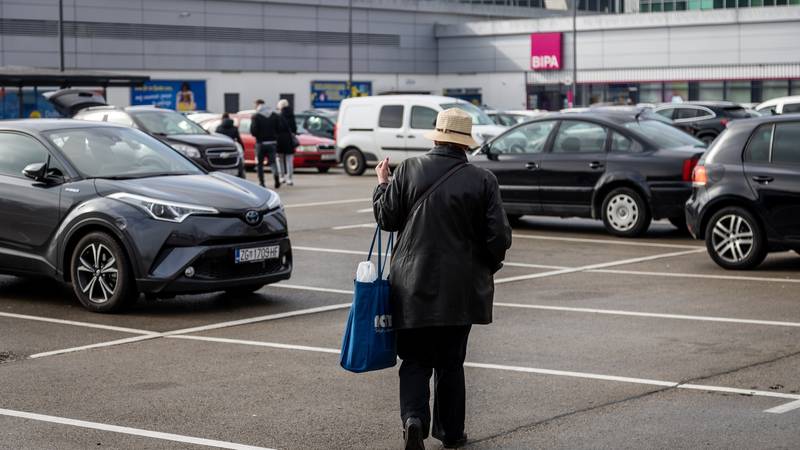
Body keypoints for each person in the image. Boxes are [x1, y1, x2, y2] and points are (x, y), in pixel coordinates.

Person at [372, 108, 512, 450]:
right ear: (465, 144)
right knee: (451, 362)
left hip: (411, 284)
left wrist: (382, 186)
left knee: (415, 359)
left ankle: (414, 420)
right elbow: (499, 238)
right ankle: (451, 433)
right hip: (460, 289)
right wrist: (483, 268)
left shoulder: (407, 170)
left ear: (436, 137)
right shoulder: (482, 180)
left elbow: (387, 219)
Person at [249, 99, 281, 189]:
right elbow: (279, 128)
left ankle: (262, 182)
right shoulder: (274, 115)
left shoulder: (256, 116)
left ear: (258, 105)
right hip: (272, 142)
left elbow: (253, 131)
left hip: (261, 143)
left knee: (259, 164)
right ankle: (276, 178)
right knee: (273, 162)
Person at [276, 99, 297, 186]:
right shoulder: (292, 115)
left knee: (280, 159)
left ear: (280, 107)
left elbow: (276, 128)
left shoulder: (279, 116)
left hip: (280, 139)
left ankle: (282, 177)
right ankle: (290, 178)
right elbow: (295, 128)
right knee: (289, 160)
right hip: (289, 139)